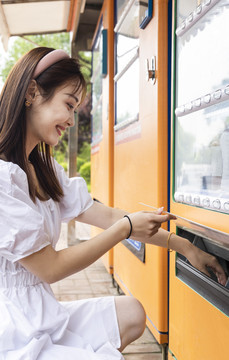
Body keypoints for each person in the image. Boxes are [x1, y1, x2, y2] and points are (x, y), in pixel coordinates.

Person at [0, 47, 226, 360]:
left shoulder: (43, 170)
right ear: (31, 93)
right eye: (68, 104)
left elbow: (109, 216)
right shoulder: (2, 179)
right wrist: (123, 229)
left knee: (132, 312)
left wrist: (185, 247)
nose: (71, 119)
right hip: (12, 329)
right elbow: (50, 268)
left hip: (44, 315)